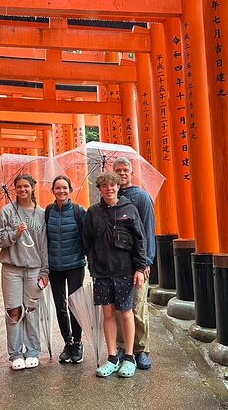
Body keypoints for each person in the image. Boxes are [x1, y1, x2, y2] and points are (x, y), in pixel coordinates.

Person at [82, 172, 147, 378]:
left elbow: (140, 240)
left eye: (113, 185)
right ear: (99, 189)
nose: (109, 188)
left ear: (119, 187)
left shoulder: (130, 209)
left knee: (126, 312)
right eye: (104, 186)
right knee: (107, 313)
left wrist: (140, 268)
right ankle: (111, 357)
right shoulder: (93, 212)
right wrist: (92, 264)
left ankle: (129, 357)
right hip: (102, 271)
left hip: (125, 269)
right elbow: (87, 241)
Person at [0, 174, 49, 371]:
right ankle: (15, 353)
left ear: (33, 188)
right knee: (14, 310)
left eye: (26, 186)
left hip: (34, 269)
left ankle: (32, 350)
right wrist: (15, 234)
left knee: (31, 310)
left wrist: (45, 271)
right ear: (14, 189)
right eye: (19, 187)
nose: (23, 190)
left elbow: (44, 245)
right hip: (11, 268)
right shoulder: (7, 212)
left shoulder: (41, 214)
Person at [113, 156, 156, 370]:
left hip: (138, 262)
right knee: (121, 308)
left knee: (138, 307)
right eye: (117, 170)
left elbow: (148, 231)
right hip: (117, 264)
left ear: (131, 173)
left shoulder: (141, 197)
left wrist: (145, 262)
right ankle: (122, 347)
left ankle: (142, 349)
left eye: (124, 170)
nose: (121, 174)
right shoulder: (110, 196)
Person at [45, 175, 87, 364]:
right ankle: (67, 342)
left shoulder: (79, 211)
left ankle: (78, 342)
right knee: (60, 306)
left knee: (74, 305)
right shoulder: (48, 211)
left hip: (75, 265)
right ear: (53, 191)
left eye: (64, 188)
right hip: (55, 266)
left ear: (70, 190)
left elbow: (88, 236)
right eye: (57, 188)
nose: (61, 191)